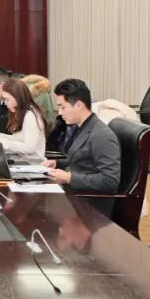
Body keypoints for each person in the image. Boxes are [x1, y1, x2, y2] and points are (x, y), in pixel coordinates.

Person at [43, 79, 121, 213]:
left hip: (89, 205)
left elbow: (110, 180)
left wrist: (69, 178)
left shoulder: (101, 135)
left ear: (78, 105)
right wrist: (57, 163)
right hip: (75, 195)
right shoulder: (83, 127)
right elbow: (82, 158)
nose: (60, 113)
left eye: (63, 107)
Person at [0, 79, 46, 158]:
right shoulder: (22, 113)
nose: (6, 103)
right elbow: (18, 139)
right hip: (23, 159)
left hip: (35, 162)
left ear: (18, 98)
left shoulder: (30, 116)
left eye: (7, 99)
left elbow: (30, 148)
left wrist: (3, 143)